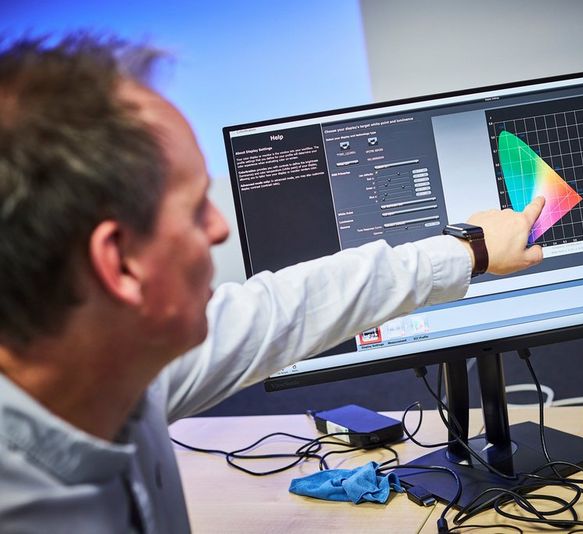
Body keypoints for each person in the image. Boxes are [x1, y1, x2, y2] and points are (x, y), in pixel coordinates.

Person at [0, 35, 545, 533]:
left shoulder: (121, 364)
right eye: (194, 212)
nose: (217, 230)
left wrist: (468, 250)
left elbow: (284, 310)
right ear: (118, 263)